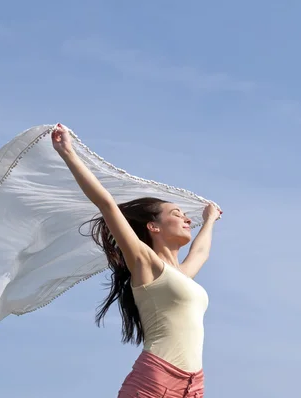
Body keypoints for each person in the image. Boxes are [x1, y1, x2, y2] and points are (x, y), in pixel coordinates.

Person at [52, 124, 221, 398]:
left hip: (194, 386)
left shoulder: (180, 275)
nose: (187, 219)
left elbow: (201, 253)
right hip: (155, 381)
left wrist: (210, 218)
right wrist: (67, 152)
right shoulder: (145, 263)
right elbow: (107, 205)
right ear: (153, 227)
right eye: (177, 213)